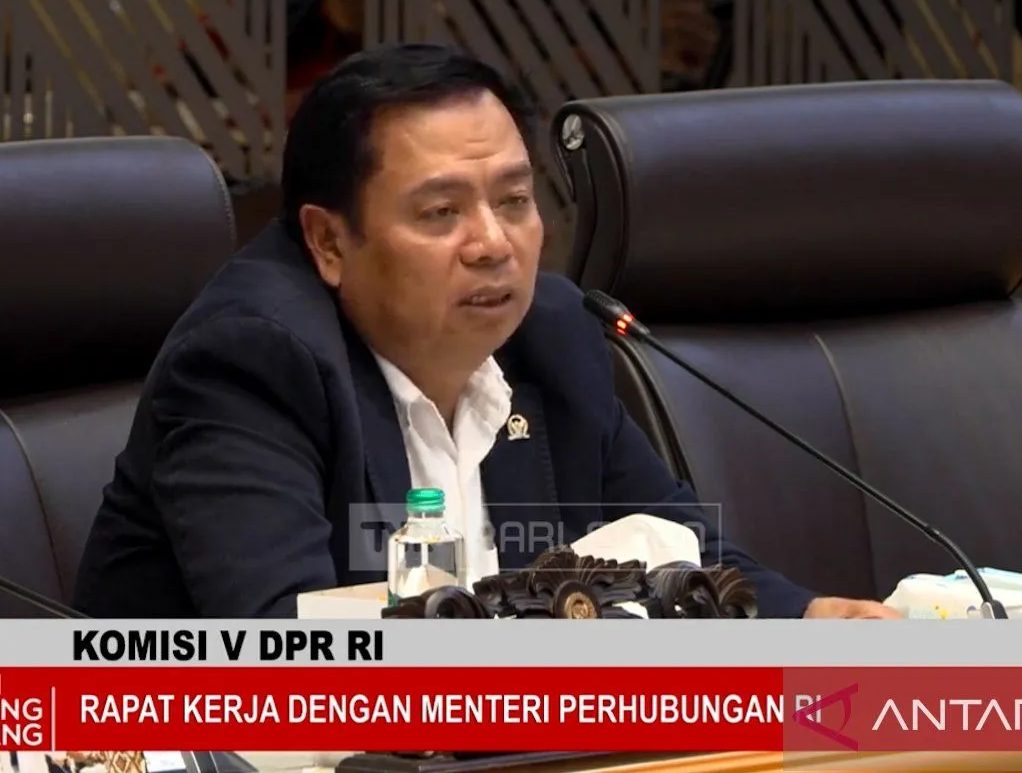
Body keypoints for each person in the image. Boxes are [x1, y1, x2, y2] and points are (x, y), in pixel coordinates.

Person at [73, 43, 900, 621]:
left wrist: (807, 618)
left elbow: (681, 545)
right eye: (442, 213)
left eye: (514, 201)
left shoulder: (553, 335)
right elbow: (294, 652)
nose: (494, 243)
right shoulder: (251, 362)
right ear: (328, 242)